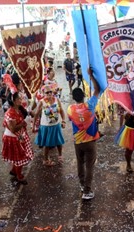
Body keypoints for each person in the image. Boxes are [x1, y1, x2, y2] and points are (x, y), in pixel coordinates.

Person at [67, 68, 100, 200]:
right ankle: (87, 191)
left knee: (80, 163)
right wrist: (91, 75)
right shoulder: (90, 105)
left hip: (78, 142)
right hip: (90, 142)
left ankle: (82, 185)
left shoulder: (70, 109)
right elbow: (97, 90)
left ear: (74, 98)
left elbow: (72, 120)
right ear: (84, 96)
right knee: (89, 166)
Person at [2, 92, 34, 185]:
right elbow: (12, 129)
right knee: (19, 158)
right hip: (13, 138)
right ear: (14, 101)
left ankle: (13, 170)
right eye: (19, 99)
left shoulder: (18, 110)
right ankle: (19, 176)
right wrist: (22, 124)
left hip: (19, 137)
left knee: (17, 157)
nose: (21, 100)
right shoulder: (10, 113)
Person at [33, 85, 66, 166]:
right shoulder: (42, 102)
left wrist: (63, 121)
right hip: (46, 126)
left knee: (59, 142)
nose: (49, 93)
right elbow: (36, 114)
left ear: (53, 92)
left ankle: (60, 155)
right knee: (47, 144)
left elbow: (61, 111)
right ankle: (45, 160)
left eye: (50, 92)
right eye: (47, 92)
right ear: (43, 93)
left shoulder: (56, 100)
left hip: (56, 124)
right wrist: (33, 125)